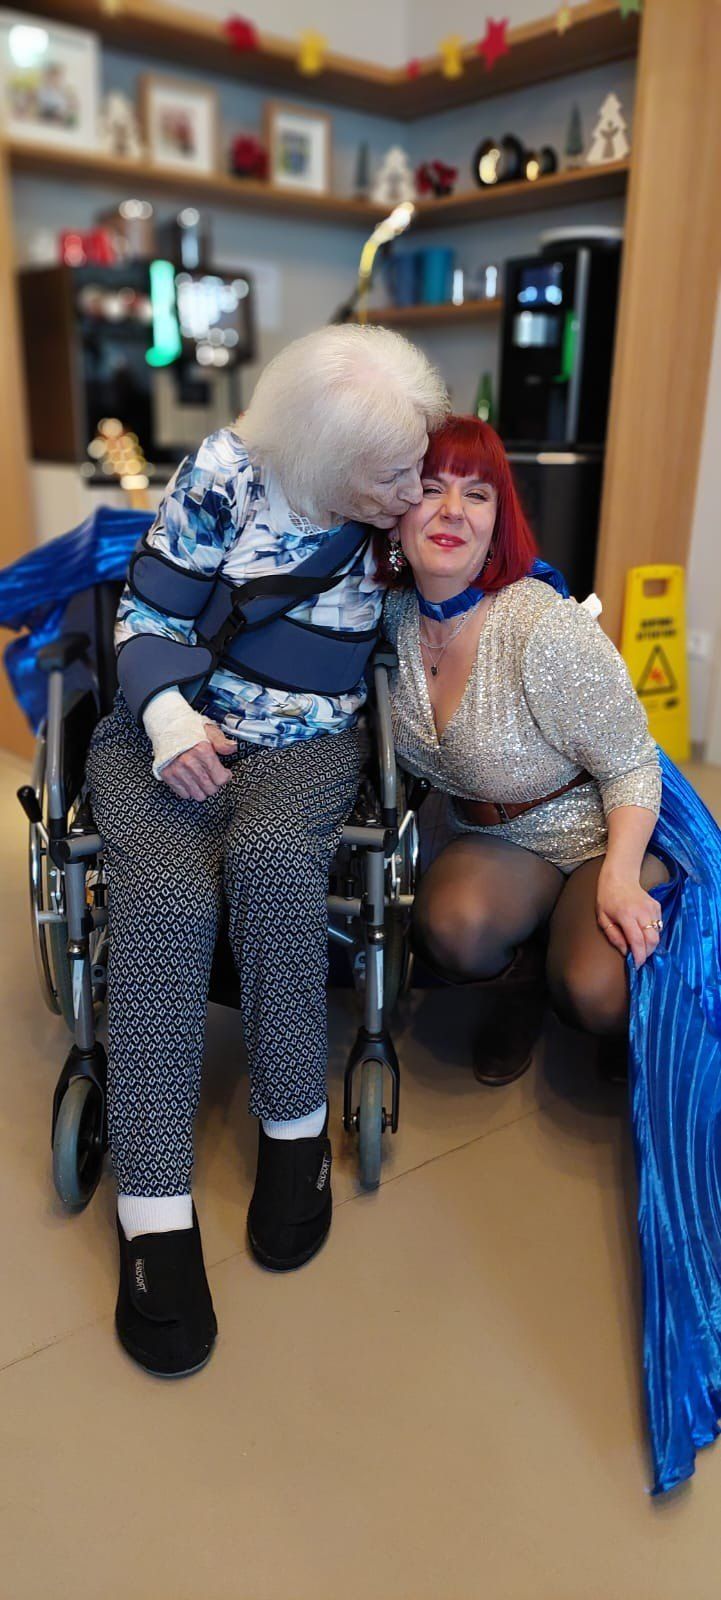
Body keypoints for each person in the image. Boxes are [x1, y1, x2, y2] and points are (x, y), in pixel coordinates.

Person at [85, 324, 448, 1378]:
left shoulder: (401, 489)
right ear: (328, 464)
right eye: (391, 474)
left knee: (276, 867)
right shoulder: (226, 476)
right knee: (160, 904)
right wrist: (168, 727)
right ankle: (153, 1211)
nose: (413, 486)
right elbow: (149, 611)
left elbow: (476, 547)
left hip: (311, 740)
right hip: (171, 726)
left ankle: (294, 1137)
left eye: (416, 463)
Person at [381, 414, 721, 1495]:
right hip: (499, 833)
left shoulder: (538, 627)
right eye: (428, 487)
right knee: (449, 925)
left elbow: (632, 764)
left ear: (498, 522)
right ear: (393, 512)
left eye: (474, 495)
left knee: (598, 987)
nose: (448, 510)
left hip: (604, 824)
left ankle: (581, 989)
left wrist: (619, 875)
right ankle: (517, 980)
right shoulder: (384, 620)